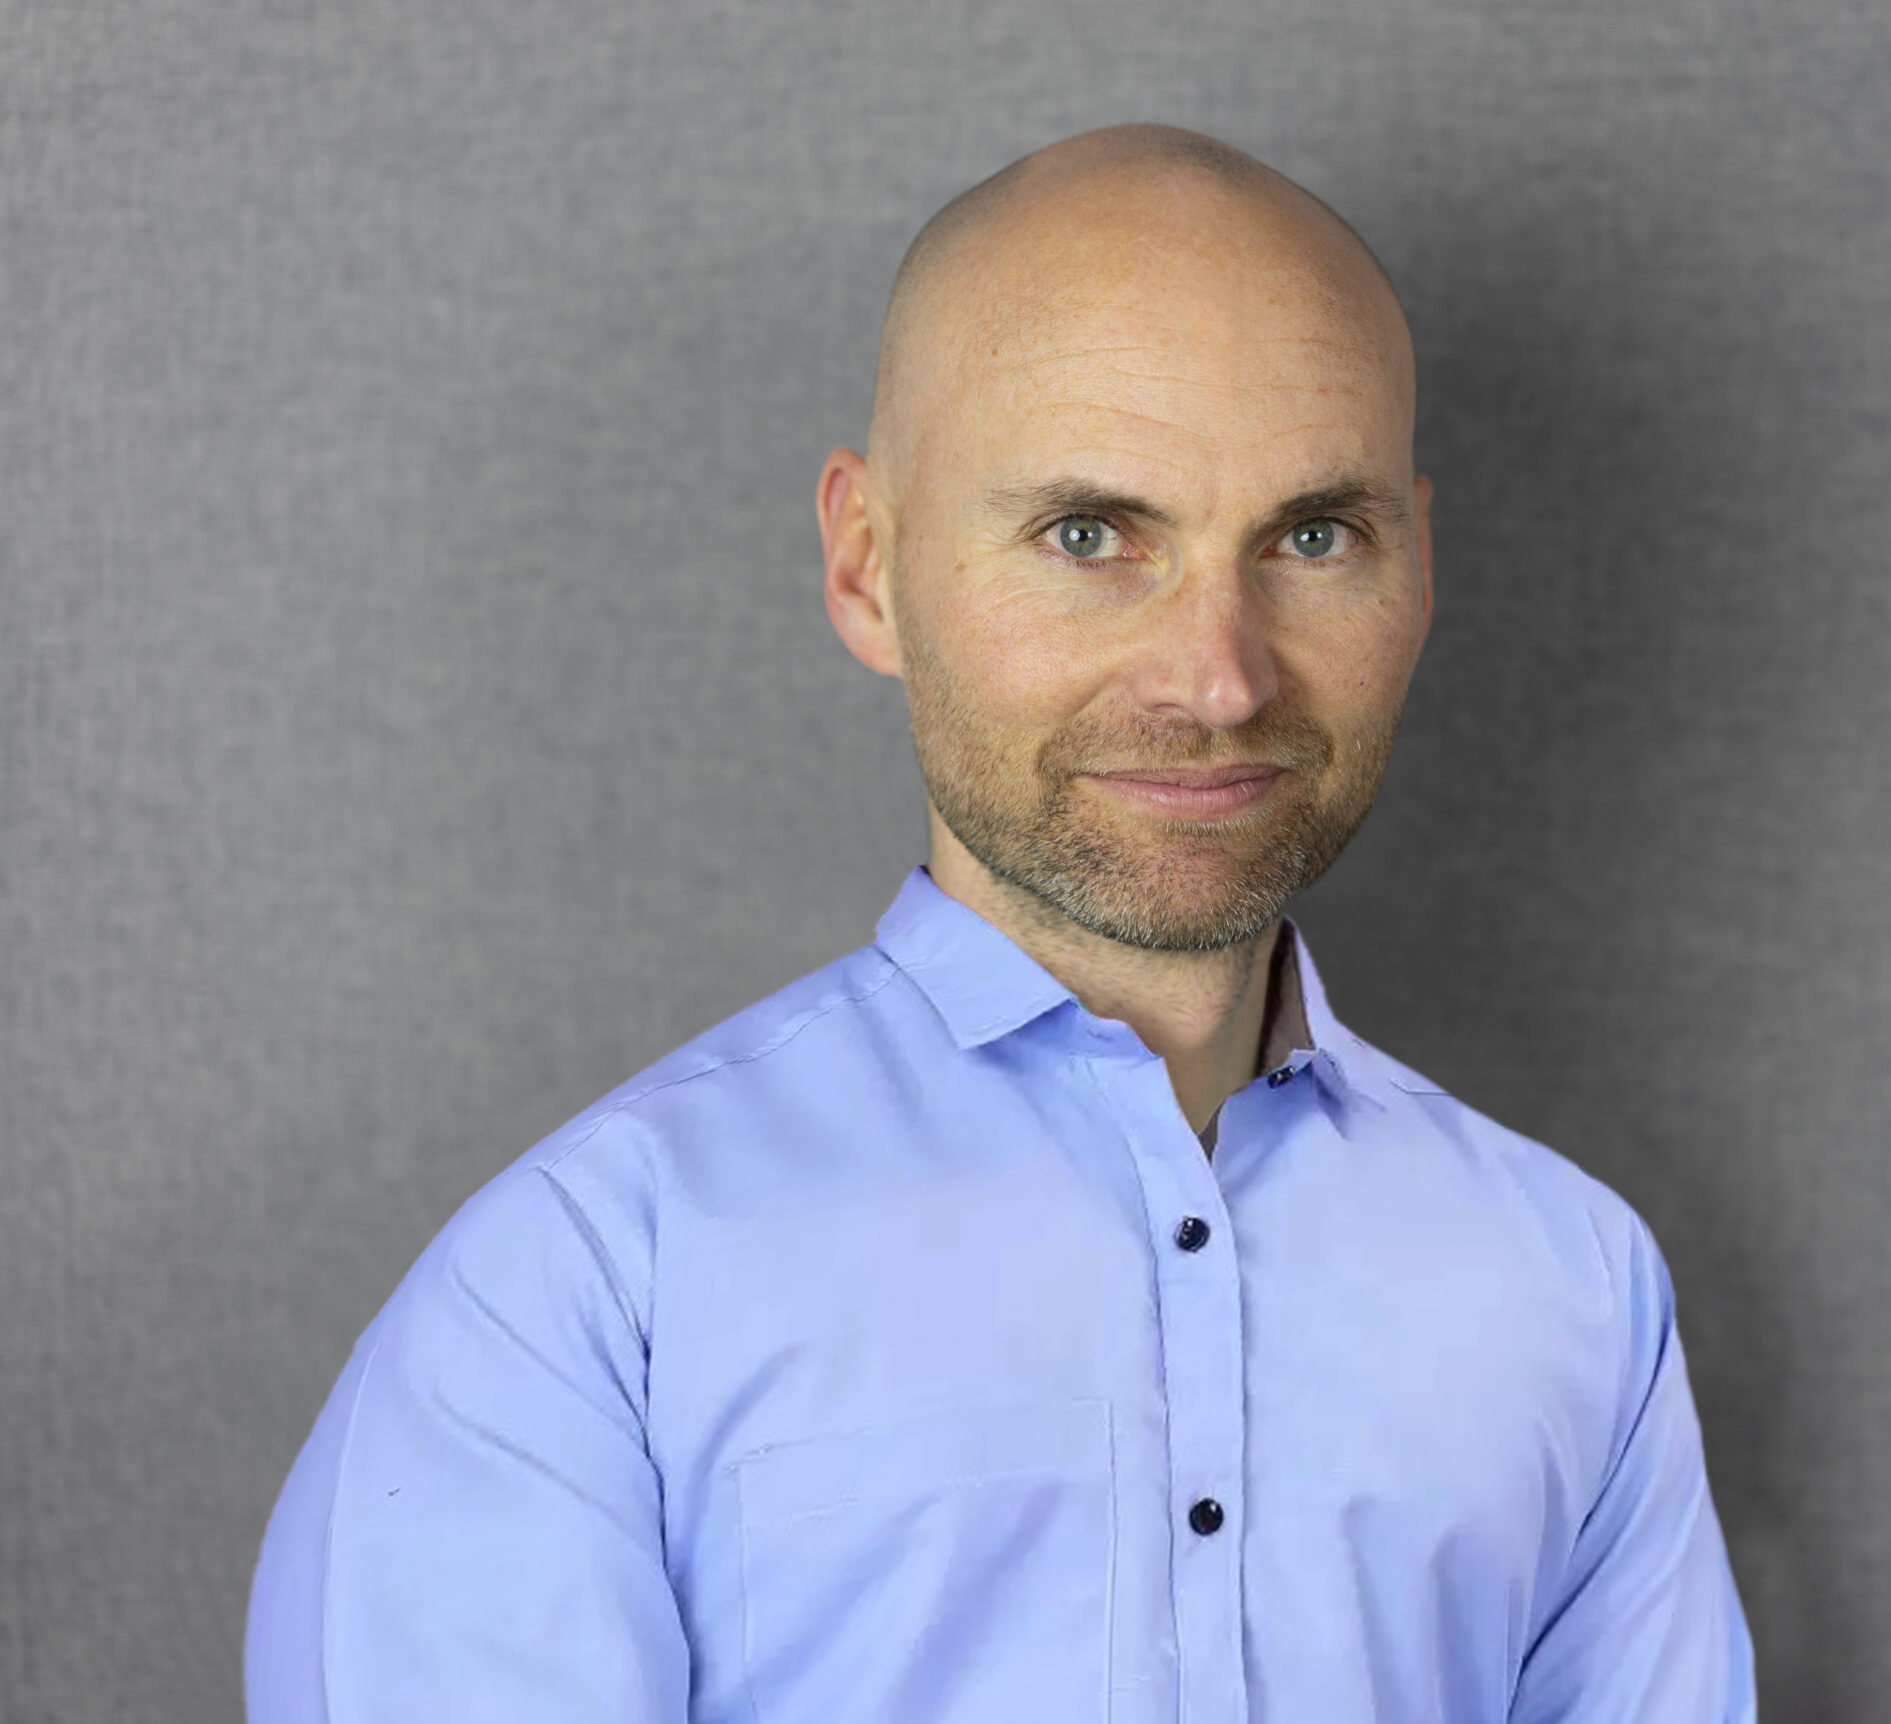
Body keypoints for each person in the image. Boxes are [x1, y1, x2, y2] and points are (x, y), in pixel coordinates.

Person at [244, 122, 1756, 1724]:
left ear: (1419, 568)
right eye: (1090, 536)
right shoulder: (580, 1295)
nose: (1219, 678)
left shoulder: (1571, 1282)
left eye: (1312, 538)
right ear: (866, 568)